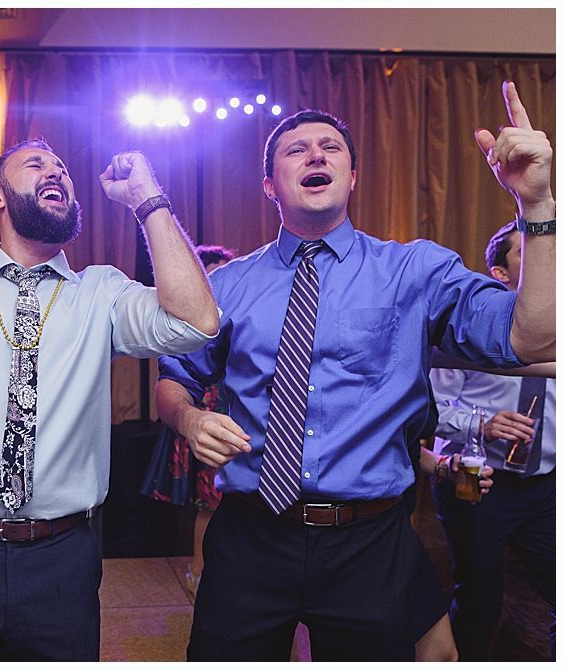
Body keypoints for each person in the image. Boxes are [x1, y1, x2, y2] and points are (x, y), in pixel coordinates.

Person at [156, 81, 554, 661]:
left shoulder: (415, 270)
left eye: (331, 148)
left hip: (370, 541)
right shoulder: (227, 284)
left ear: (352, 177)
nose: (316, 155)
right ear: (270, 184)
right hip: (250, 535)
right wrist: (189, 420)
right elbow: (176, 378)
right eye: (296, 150)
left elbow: (533, 334)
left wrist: (537, 207)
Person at [0, 139, 219, 661]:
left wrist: (147, 198)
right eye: (36, 164)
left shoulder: (102, 292)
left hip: (61, 561)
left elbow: (196, 323)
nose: (57, 172)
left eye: (63, 169)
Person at [430, 220, 556, 661]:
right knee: (481, 600)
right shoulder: (468, 325)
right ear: (500, 272)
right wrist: (481, 425)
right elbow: (433, 411)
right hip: (477, 483)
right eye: (529, 252)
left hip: (543, 486)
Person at [140, 243, 236, 600]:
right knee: (209, 502)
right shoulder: (189, 324)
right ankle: (198, 570)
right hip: (205, 415)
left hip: (234, 417)